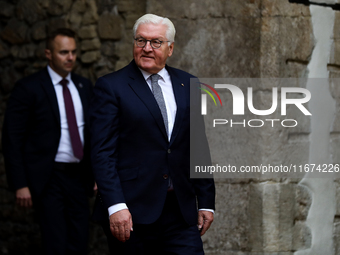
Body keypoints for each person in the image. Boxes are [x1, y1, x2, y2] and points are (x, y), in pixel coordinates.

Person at [90, 14, 215, 254]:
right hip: (131, 213)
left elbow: (198, 146)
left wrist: (207, 201)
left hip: (180, 211)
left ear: (170, 48)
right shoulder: (111, 86)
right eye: (141, 41)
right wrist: (115, 206)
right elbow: (102, 153)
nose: (147, 48)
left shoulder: (189, 83)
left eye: (156, 42)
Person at [2, 28, 94, 255]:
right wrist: (20, 184)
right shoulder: (29, 88)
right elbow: (12, 138)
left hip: (79, 176)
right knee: (56, 242)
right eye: (63, 52)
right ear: (48, 54)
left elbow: (94, 134)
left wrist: (97, 173)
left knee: (80, 240)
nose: (70, 57)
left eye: (73, 52)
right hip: (48, 176)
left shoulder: (84, 86)